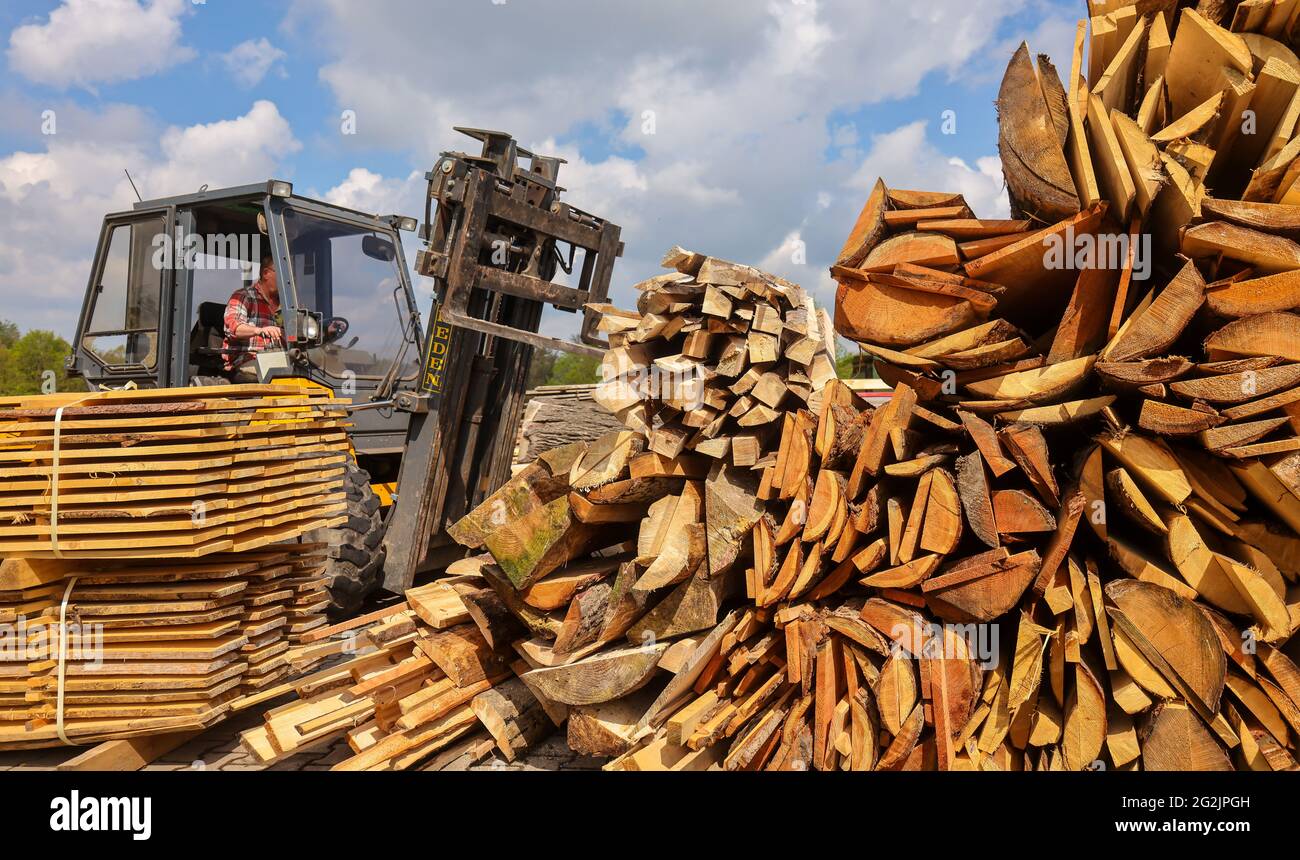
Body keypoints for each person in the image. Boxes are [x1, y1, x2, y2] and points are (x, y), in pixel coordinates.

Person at [223, 255, 284, 383]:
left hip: (280, 359)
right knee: (280, 373)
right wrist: (260, 330)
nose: (287, 279)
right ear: (266, 273)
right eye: (282, 272)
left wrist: (327, 331)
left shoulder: (286, 305)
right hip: (247, 360)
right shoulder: (243, 296)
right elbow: (234, 328)